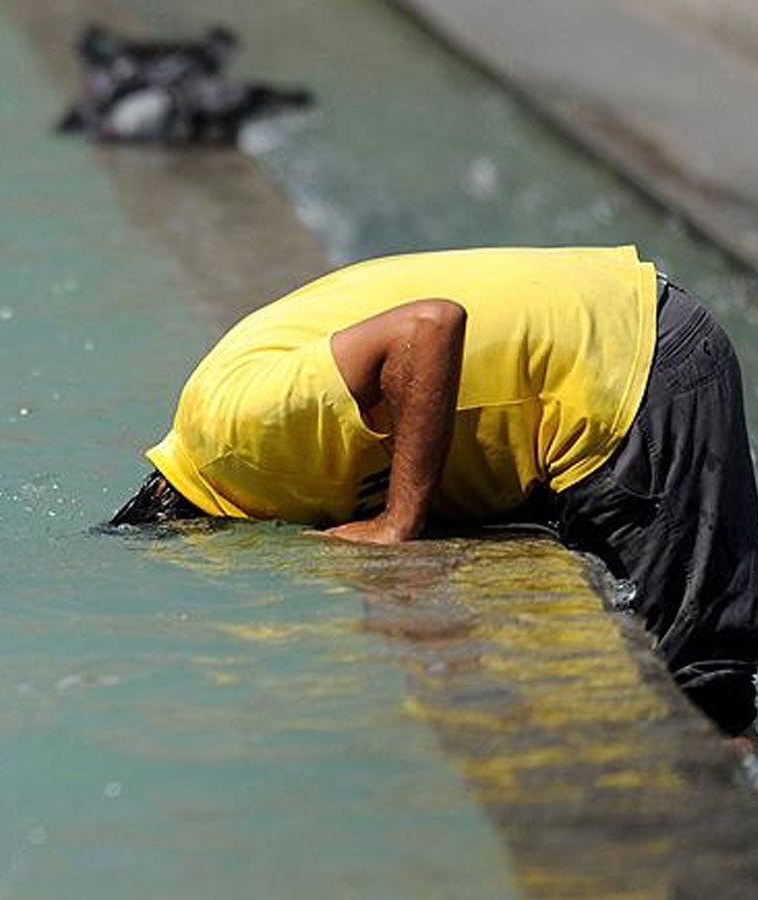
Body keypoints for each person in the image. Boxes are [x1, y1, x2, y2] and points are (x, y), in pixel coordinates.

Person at [112, 246, 758, 737]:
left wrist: (400, 520)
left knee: (705, 693)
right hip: (607, 345)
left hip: (629, 370)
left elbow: (430, 326)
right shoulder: (228, 436)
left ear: (194, 530)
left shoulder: (238, 436)